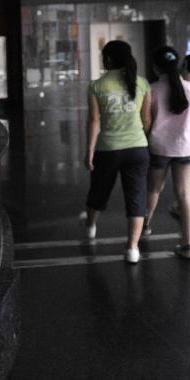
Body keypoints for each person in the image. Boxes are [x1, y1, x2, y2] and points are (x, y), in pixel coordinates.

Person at [85, 40, 151, 263]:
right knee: (136, 197)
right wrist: (140, 138)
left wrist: (89, 151)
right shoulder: (142, 83)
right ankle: (132, 249)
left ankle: (91, 226)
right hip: (138, 148)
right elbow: (147, 119)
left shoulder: (97, 85)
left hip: (109, 149)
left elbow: (94, 121)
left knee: (99, 190)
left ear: (108, 59)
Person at [143, 47, 190, 257]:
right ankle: (187, 243)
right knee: (184, 194)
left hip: (159, 148)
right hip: (184, 147)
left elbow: (147, 121)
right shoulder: (189, 87)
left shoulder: (151, 89)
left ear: (155, 67)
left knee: (154, 190)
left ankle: (144, 227)